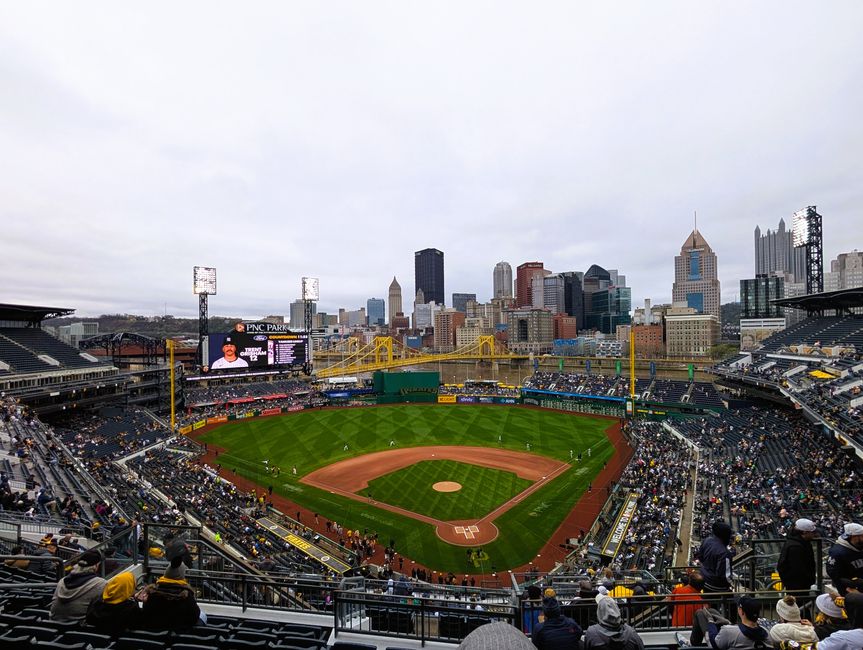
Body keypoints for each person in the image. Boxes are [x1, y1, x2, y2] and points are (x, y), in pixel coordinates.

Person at [140, 540, 203, 630]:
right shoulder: (186, 595)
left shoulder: (153, 591)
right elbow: (194, 616)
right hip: (179, 630)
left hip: (156, 629)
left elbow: (146, 611)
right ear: (181, 576)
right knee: (203, 616)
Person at [684, 595, 770, 649]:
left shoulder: (729, 631)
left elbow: (713, 645)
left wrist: (710, 622)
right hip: (732, 634)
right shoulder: (767, 633)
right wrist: (729, 623)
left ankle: (692, 644)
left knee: (700, 613)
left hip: (716, 642)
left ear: (741, 611)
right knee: (712, 611)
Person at [50, 549, 106, 622]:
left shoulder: (62, 581)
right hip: (79, 625)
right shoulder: (100, 583)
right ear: (96, 566)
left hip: (52, 623)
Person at [777, 518, 818, 602]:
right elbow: (798, 570)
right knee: (799, 605)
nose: (814, 534)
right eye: (812, 532)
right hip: (797, 586)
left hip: (799, 584)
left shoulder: (800, 542)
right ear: (804, 532)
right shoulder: (795, 547)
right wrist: (808, 580)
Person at [697, 521, 736, 598]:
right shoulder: (725, 553)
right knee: (734, 599)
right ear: (725, 536)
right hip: (715, 586)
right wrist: (732, 584)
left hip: (703, 579)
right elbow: (725, 576)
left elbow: (700, 558)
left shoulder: (707, 540)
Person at [826, 523, 863, 595]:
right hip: (849, 591)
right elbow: (833, 574)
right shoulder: (837, 552)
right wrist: (850, 583)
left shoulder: (859, 546)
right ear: (854, 537)